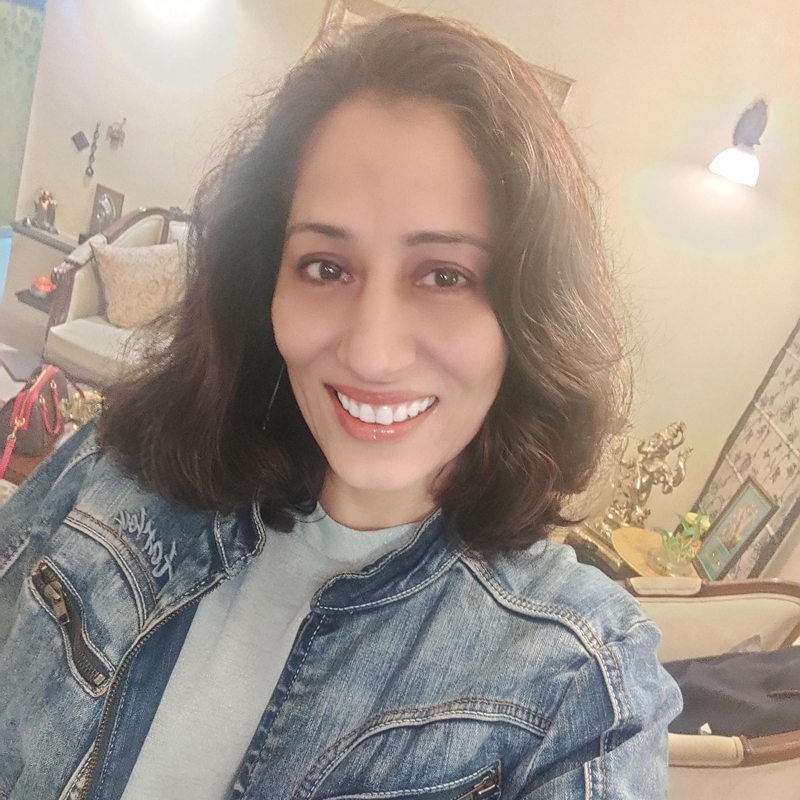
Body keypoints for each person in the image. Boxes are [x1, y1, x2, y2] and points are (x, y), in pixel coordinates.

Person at [0, 13, 681, 800]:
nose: (371, 352)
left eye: (446, 276)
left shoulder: (579, 689)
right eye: (325, 267)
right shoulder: (119, 464)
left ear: (531, 313)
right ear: (267, 282)